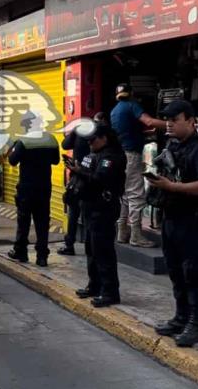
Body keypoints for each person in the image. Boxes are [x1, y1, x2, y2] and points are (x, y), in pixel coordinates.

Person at [148, 99, 198, 347]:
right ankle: (181, 317)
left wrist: (172, 187)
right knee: (176, 271)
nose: (169, 125)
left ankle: (196, 324)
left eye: (174, 120)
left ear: (190, 121)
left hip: (192, 221)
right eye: (167, 120)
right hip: (171, 218)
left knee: (194, 273)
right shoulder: (174, 146)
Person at [65, 124, 126, 307]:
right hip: (90, 207)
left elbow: (100, 180)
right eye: (88, 140)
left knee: (103, 250)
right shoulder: (94, 155)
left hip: (104, 208)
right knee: (91, 249)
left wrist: (79, 172)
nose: (90, 144)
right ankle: (95, 285)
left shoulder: (112, 156)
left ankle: (110, 291)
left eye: (93, 140)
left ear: (104, 138)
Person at [110, 83, 166, 247]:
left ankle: (122, 231)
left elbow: (129, 130)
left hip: (122, 155)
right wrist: (170, 124)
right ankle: (136, 235)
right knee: (136, 194)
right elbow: (148, 121)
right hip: (132, 155)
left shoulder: (115, 110)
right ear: (132, 93)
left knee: (126, 194)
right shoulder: (131, 105)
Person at [7, 111, 60, 267]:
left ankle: (21, 252)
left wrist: (12, 148)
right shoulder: (51, 139)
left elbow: (12, 161)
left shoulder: (23, 142)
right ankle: (42, 256)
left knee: (24, 220)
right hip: (44, 187)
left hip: (26, 188)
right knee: (43, 222)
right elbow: (56, 161)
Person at [58, 112, 108, 255]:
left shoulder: (81, 132)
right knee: (86, 214)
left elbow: (65, 144)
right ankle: (88, 246)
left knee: (74, 213)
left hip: (80, 178)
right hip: (89, 178)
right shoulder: (101, 136)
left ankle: (70, 245)